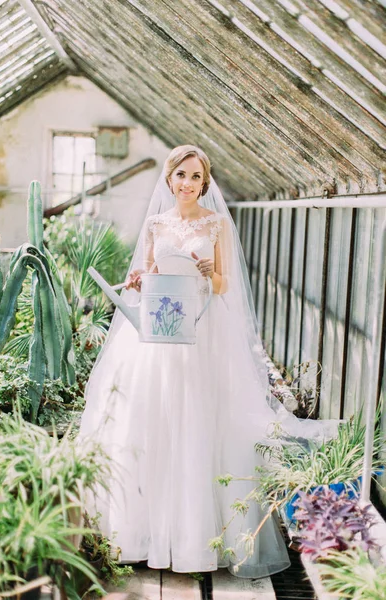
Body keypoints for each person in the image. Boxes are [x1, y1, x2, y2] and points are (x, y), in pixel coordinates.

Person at [78, 145, 339, 578]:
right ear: (169, 178)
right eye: (181, 175)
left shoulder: (216, 224)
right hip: (159, 333)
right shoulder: (154, 224)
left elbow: (223, 286)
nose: (187, 183)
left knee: (198, 426)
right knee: (151, 422)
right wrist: (139, 280)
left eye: (196, 177)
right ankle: (143, 533)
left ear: (205, 182)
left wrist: (204, 270)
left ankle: (194, 539)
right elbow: (144, 278)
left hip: (202, 333)